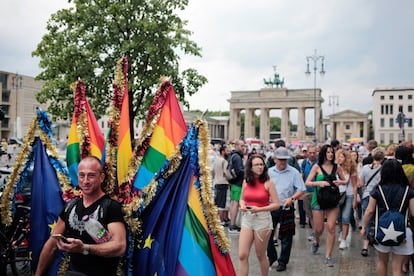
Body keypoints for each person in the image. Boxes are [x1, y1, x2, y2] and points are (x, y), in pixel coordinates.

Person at [35, 156, 126, 276]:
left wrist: (85, 248)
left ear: (101, 177)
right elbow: (52, 244)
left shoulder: (110, 206)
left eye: (91, 175)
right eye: (82, 175)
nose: (86, 181)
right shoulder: (70, 206)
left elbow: (120, 246)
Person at [360, 159, 414, 276]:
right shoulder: (408, 190)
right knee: (397, 267)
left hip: (382, 229)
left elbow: (369, 211)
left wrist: (364, 227)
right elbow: (413, 212)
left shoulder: (378, 189)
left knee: (382, 261)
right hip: (403, 230)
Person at [238, 154, 279, 276]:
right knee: (242, 255)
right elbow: (241, 199)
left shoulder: (268, 182)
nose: (260, 167)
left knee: (260, 255)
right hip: (247, 218)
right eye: (257, 165)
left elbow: (276, 204)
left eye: (262, 164)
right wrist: (242, 206)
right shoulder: (246, 181)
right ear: (250, 167)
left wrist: (259, 209)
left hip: (262, 219)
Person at [305, 144, 345, 267]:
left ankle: (328, 256)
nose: (330, 154)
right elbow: (307, 182)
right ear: (323, 154)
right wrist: (319, 182)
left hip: (332, 200)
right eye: (328, 152)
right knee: (319, 229)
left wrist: (340, 182)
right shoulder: (317, 167)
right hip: (318, 200)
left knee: (331, 228)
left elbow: (345, 180)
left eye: (332, 152)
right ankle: (316, 241)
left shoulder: (337, 167)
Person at [267, 147, 306, 272]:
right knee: (267, 233)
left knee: (286, 236)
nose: (283, 162)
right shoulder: (269, 172)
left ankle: (283, 261)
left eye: (285, 160)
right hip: (272, 206)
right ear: (275, 160)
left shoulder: (293, 172)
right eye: (280, 160)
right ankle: (272, 255)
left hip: (286, 206)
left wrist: (292, 198)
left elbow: (301, 189)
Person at [359, 147, 385, 257]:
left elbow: (360, 183)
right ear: (383, 157)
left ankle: (365, 246)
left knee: (367, 220)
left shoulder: (365, 168)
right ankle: (378, 242)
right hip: (379, 197)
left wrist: (366, 189)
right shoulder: (384, 169)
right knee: (379, 220)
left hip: (366, 196)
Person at [335, 149, 358, 250]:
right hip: (338, 195)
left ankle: (344, 240)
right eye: (338, 157)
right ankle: (340, 231)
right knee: (339, 217)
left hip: (349, 195)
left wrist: (355, 199)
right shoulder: (336, 168)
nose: (340, 159)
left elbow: (355, 185)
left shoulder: (351, 169)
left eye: (342, 157)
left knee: (345, 217)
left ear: (346, 158)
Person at [228, 139, 246, 233]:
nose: (243, 148)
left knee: (233, 203)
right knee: (235, 203)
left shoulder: (232, 155)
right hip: (238, 183)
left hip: (234, 182)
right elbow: (239, 170)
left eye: (244, 146)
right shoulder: (237, 157)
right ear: (237, 146)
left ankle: (232, 223)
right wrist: (248, 172)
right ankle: (233, 225)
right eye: (242, 146)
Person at [301, 145, 318, 241]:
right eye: (310, 152)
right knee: (310, 214)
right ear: (307, 153)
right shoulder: (304, 162)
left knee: (317, 213)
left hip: (317, 191)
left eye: (314, 152)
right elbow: (302, 175)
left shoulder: (319, 163)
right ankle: (315, 232)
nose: (312, 154)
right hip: (307, 191)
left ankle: (316, 232)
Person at [212, 146, 230, 226]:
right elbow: (226, 173)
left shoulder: (216, 160)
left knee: (217, 202)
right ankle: (221, 221)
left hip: (216, 182)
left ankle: (215, 219)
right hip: (223, 183)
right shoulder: (224, 161)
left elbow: (213, 171)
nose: (229, 152)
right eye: (227, 151)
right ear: (223, 152)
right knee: (222, 203)